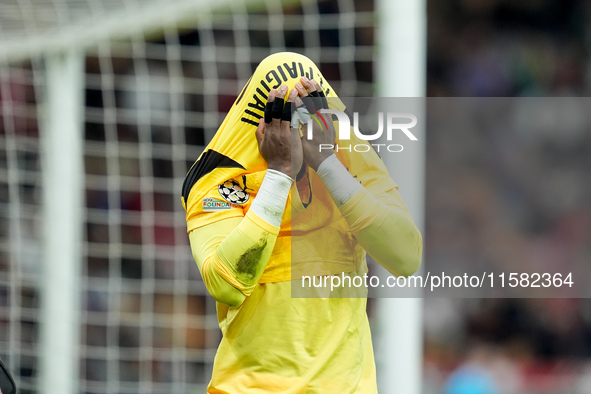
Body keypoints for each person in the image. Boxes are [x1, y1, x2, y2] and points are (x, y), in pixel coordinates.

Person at [181, 52, 422, 393]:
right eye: (284, 113)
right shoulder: (217, 180)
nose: (295, 124)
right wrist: (278, 173)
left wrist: (327, 164)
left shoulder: (352, 162)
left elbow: (406, 257)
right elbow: (227, 284)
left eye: (306, 110)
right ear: (260, 119)